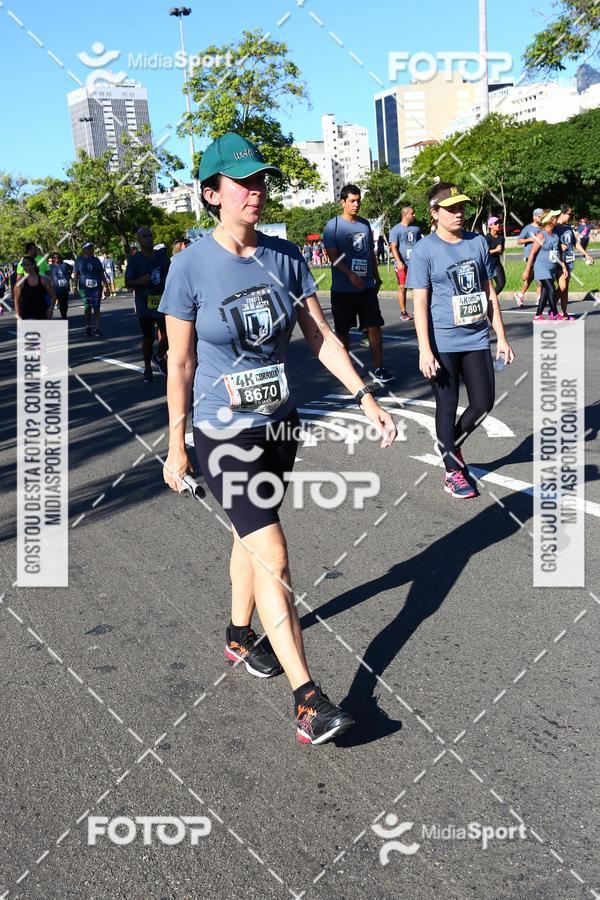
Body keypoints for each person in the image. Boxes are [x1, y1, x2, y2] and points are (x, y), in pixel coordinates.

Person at [159, 132, 397, 745]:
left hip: (279, 425)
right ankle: (308, 698)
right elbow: (180, 363)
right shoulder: (188, 266)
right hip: (221, 432)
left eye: (260, 179)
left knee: (251, 532)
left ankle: (240, 636)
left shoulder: (287, 258)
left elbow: (319, 337)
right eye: (241, 182)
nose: (255, 190)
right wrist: (177, 443)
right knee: (274, 551)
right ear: (211, 194)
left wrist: (364, 395)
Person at [407, 182, 514, 499]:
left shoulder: (477, 242)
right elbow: (420, 304)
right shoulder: (425, 250)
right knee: (448, 404)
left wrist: (502, 337)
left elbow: (488, 291)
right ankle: (453, 470)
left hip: (477, 337)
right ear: (434, 213)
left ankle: (448, 444)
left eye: (461, 207)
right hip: (442, 343)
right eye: (451, 208)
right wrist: (425, 349)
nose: (459, 213)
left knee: (483, 403)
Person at [323, 184, 392, 383]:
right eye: (352, 201)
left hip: (366, 288)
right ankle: (347, 373)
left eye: (358, 200)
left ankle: (379, 368)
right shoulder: (333, 226)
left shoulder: (364, 224)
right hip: (343, 290)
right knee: (343, 331)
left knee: (374, 326)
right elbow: (332, 256)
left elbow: (370, 253)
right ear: (342, 202)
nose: (356, 204)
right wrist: (349, 274)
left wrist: (376, 276)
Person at [125, 227, 170, 382]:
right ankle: (147, 366)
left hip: (163, 303)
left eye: (150, 235)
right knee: (148, 339)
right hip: (145, 305)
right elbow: (127, 282)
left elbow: (172, 274)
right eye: (145, 236)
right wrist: (140, 281)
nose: (149, 238)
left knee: (169, 335)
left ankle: (158, 357)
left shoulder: (161, 256)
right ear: (139, 240)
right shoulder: (135, 260)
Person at [523, 210, 568, 321]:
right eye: (555, 217)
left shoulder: (555, 236)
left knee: (545, 293)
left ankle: (538, 315)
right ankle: (555, 314)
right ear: (549, 220)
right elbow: (532, 253)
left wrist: (563, 266)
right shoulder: (541, 235)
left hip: (551, 269)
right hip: (541, 269)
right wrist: (527, 270)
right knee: (551, 289)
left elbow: (557, 254)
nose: (557, 218)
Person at [555, 204, 593, 318]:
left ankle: (563, 312)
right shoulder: (554, 227)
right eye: (569, 214)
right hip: (558, 260)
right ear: (562, 213)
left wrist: (586, 254)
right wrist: (559, 245)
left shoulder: (568, 228)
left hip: (569, 260)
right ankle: (550, 305)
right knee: (562, 287)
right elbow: (547, 239)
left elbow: (575, 243)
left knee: (565, 288)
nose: (571, 216)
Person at [389, 205, 422, 321]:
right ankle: (403, 312)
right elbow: (393, 247)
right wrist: (398, 261)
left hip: (415, 263)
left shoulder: (416, 229)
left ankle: (418, 309)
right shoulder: (395, 230)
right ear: (405, 215)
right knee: (403, 287)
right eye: (412, 213)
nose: (414, 215)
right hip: (402, 264)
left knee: (417, 287)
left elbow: (420, 245)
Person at [73, 242, 110, 337]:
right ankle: (88, 325)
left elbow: (102, 274)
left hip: (96, 288)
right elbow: (76, 274)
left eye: (92, 248)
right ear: (84, 250)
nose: (91, 249)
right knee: (87, 307)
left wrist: (106, 286)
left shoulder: (96, 260)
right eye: (89, 248)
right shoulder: (79, 260)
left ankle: (97, 328)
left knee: (96, 308)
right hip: (84, 288)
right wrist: (74, 287)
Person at [515, 208, 543, 307]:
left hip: (540, 255)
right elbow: (519, 241)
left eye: (542, 217)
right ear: (534, 217)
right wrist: (530, 239)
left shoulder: (542, 228)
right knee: (538, 276)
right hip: (530, 255)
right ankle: (539, 298)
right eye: (540, 217)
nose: (541, 219)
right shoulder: (528, 228)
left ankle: (520, 294)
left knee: (532, 277)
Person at [484, 216, 506, 296]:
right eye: (495, 223)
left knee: (501, 284)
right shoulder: (486, 238)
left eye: (499, 223)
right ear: (490, 226)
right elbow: (484, 253)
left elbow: (501, 251)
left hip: (496, 263)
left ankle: (490, 299)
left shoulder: (501, 238)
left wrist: (501, 251)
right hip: (488, 264)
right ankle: (490, 301)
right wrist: (495, 250)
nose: (498, 225)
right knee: (487, 286)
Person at [48, 252, 72, 320]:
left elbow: (73, 268)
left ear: (60, 257)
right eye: (54, 257)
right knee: (60, 302)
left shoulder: (64, 264)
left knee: (65, 303)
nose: (56, 258)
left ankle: (64, 315)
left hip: (65, 287)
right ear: (52, 259)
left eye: (57, 257)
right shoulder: (50, 266)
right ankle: (63, 316)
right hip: (56, 288)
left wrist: (69, 276)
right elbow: (46, 274)